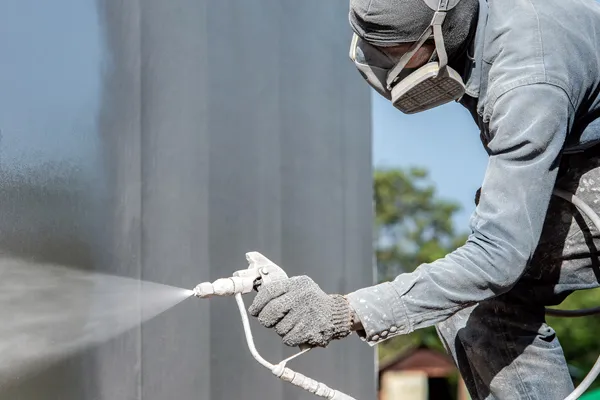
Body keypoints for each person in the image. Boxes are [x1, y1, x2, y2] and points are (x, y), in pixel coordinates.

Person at [248, 0, 600, 398]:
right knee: (468, 306)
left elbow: (498, 258)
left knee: (483, 311)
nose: (383, 67)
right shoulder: (483, 29)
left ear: (443, 30)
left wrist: (346, 312)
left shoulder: (528, 78)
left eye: (394, 54)